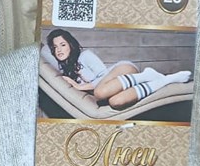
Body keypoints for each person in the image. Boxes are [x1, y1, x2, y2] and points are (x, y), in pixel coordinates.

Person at [44, 29, 191, 108]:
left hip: (123, 70)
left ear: (70, 45)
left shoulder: (85, 56)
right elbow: (44, 54)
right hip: (116, 88)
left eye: (62, 45)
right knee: (116, 102)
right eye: (55, 47)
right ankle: (166, 80)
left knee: (100, 92)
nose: (59, 50)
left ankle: (145, 76)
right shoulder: (66, 70)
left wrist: (80, 87)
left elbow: (104, 77)